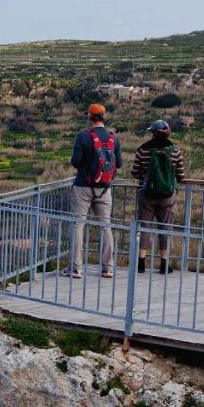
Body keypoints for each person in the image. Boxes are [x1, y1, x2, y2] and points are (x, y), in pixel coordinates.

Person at [70, 103, 122, 278]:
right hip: (104, 189)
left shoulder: (83, 136)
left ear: (89, 117)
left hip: (83, 187)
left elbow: (75, 162)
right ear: (103, 117)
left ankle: (76, 268)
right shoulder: (114, 138)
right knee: (105, 226)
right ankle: (108, 268)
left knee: (78, 225)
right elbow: (119, 164)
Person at [131, 119, 187, 274]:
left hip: (146, 194)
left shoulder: (143, 150)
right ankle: (164, 264)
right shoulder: (175, 151)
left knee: (145, 227)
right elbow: (181, 175)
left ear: (153, 133)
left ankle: (141, 263)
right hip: (167, 196)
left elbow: (135, 172)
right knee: (165, 228)